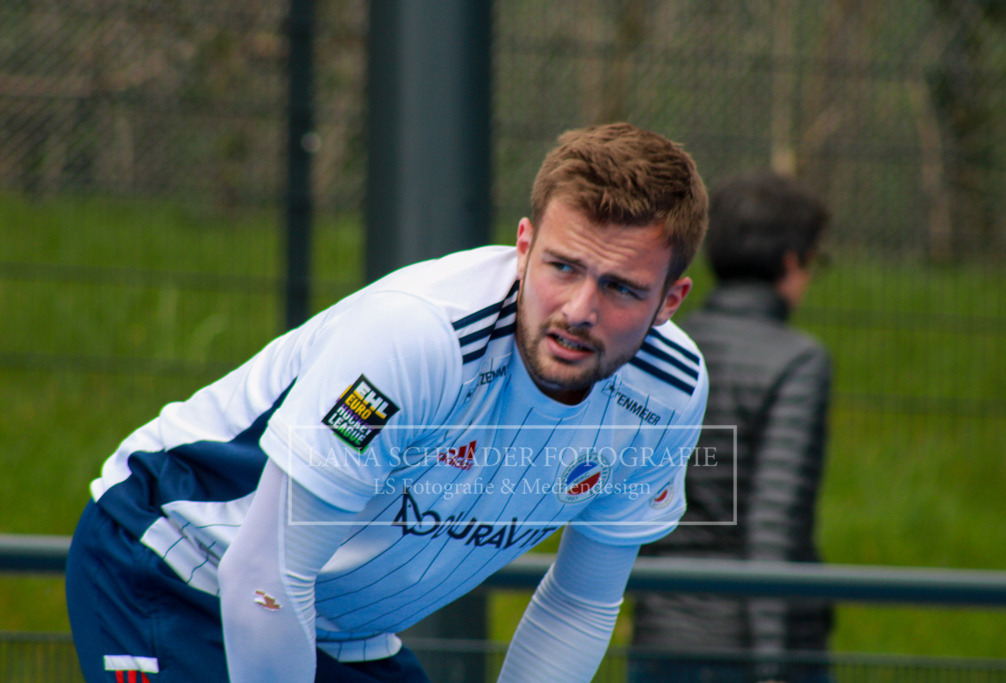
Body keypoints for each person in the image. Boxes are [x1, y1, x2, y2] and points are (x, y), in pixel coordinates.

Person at [66, 122, 711, 683]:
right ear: (523, 246)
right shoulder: (418, 337)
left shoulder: (671, 395)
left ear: (670, 300)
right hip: (177, 565)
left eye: (622, 288)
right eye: (562, 267)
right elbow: (263, 575)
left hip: (340, 630)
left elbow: (580, 603)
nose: (579, 311)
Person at [630, 171, 834, 682]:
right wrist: (772, 663)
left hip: (660, 637)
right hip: (747, 646)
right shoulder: (798, 361)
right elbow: (775, 522)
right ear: (791, 261)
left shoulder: (657, 349)